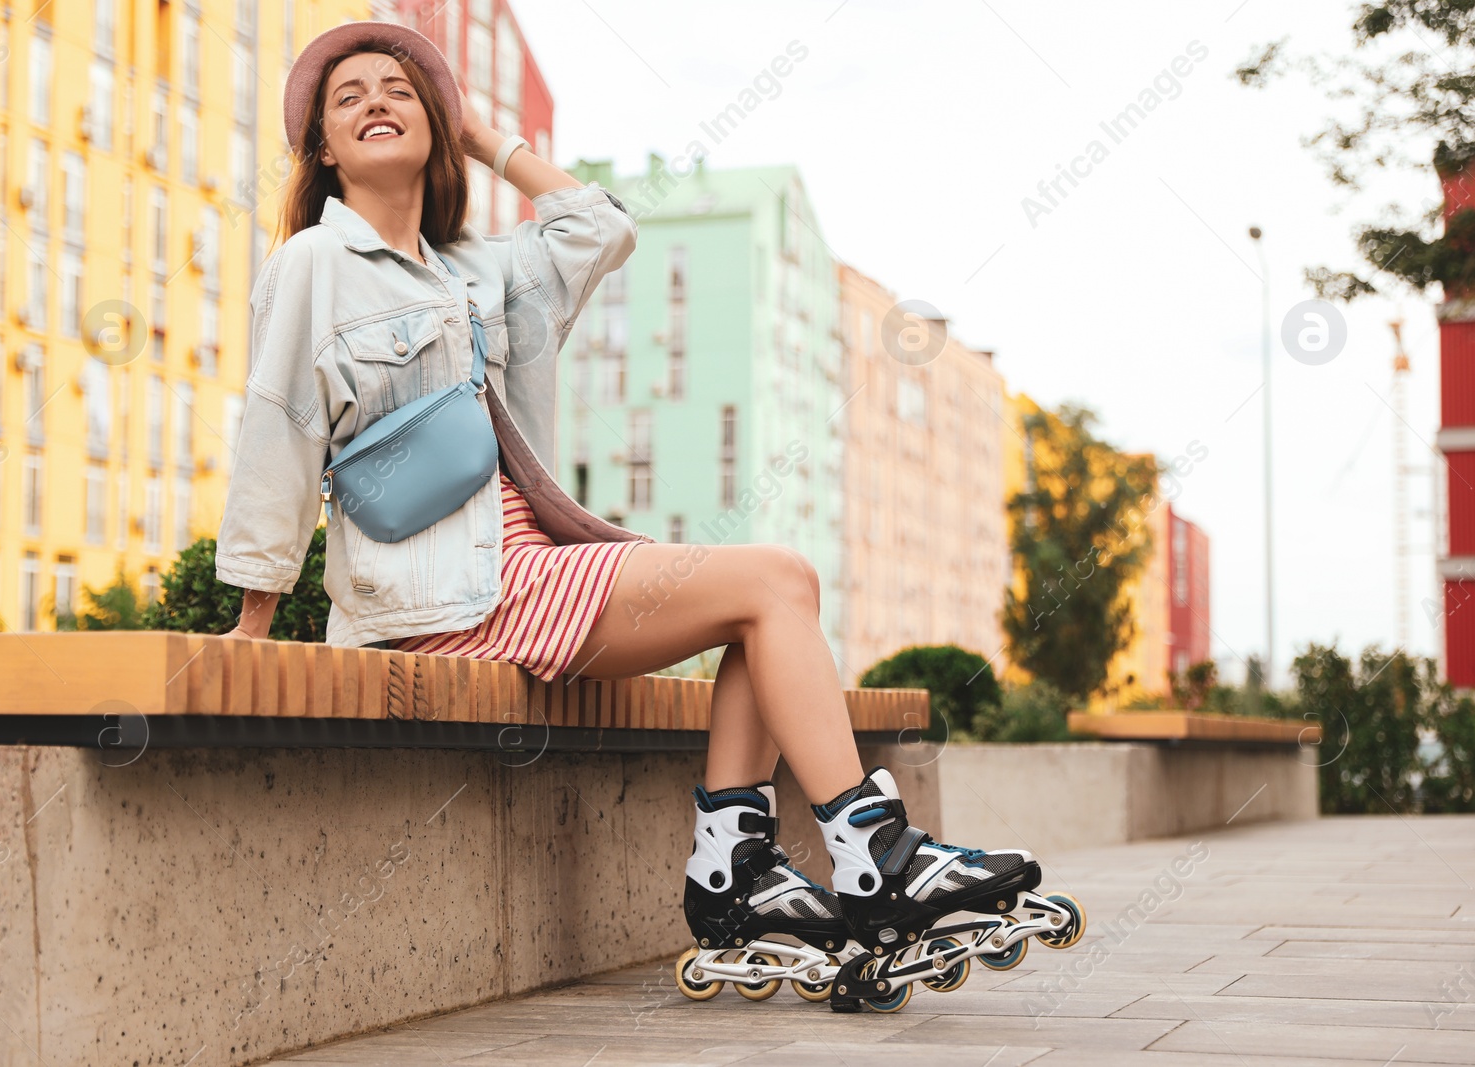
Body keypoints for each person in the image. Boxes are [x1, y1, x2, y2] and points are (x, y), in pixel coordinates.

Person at [217, 21, 1078, 1013]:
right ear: (323, 148)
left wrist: (490, 137)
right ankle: (859, 850)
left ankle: (739, 869)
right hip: (442, 591)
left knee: (773, 598)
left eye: (401, 90)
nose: (376, 100)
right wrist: (253, 615)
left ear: (436, 125)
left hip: (526, 567)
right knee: (772, 580)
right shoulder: (315, 263)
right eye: (348, 96)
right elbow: (275, 433)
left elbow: (602, 225)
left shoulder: (482, 269)